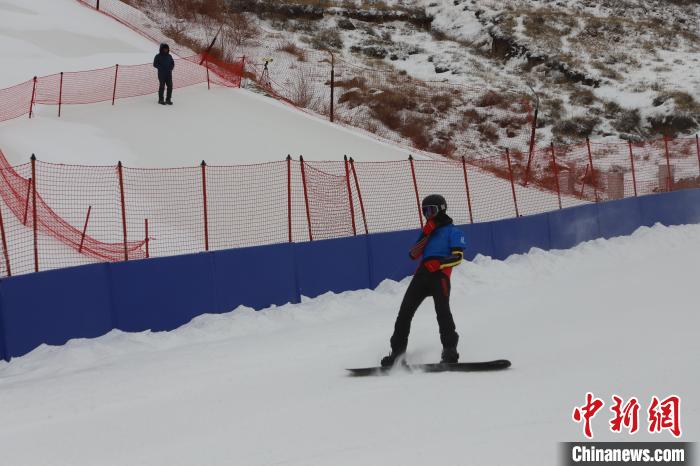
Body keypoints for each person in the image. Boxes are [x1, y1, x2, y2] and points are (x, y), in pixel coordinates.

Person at [381, 194, 466, 367]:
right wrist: (426, 234)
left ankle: (450, 350)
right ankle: (398, 353)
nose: (427, 215)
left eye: (431, 210)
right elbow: (413, 254)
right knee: (405, 312)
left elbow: (458, 257)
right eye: (425, 211)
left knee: (442, 312)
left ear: (441, 210)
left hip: (440, 276)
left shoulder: (453, 232)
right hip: (422, 275)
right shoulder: (428, 231)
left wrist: (440, 263)